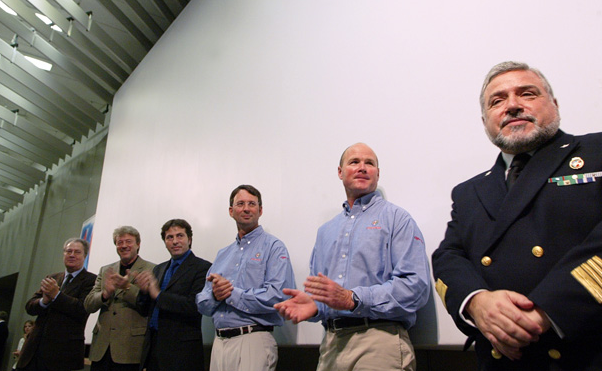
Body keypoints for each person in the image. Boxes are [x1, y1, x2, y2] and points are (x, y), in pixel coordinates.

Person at [432, 61, 602, 370]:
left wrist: (545, 311)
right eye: (497, 101)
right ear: (486, 121)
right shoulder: (468, 192)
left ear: (554, 104)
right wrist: (476, 301)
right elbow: (448, 257)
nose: (512, 105)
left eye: (527, 94)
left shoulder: (596, 151)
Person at [275, 143, 431, 371]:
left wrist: (353, 298)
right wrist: (316, 306)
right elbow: (326, 295)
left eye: (370, 163)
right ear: (340, 172)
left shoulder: (398, 219)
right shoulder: (325, 232)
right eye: (354, 162)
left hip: (379, 341)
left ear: (378, 173)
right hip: (331, 346)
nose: (362, 167)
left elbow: (415, 287)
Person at [196, 185, 296, 371]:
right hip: (219, 344)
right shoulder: (223, 254)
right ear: (231, 211)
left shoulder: (274, 247)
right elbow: (202, 302)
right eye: (240, 204)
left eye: (252, 204)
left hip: (253, 341)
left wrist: (231, 293)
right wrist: (215, 296)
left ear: (260, 210)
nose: (246, 208)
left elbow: (279, 297)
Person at [136, 219, 211, 371]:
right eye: (169, 237)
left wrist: (158, 295)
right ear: (165, 242)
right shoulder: (159, 269)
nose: (175, 241)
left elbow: (194, 305)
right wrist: (144, 293)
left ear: (189, 240)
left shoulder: (203, 267)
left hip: (182, 352)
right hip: (153, 347)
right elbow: (144, 310)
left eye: (180, 236)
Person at [16, 238, 97, 371]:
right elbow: (30, 307)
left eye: (77, 252)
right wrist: (44, 301)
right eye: (68, 251)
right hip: (34, 351)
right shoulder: (53, 278)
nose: (72, 255)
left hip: (62, 355)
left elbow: (82, 309)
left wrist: (56, 295)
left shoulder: (92, 280)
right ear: (63, 254)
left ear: (85, 256)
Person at [84, 226, 155, 371]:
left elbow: (149, 306)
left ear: (138, 244)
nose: (124, 245)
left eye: (128, 241)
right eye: (119, 242)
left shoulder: (152, 269)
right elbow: (88, 305)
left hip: (130, 349)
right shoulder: (106, 270)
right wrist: (105, 294)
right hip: (101, 348)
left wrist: (127, 287)